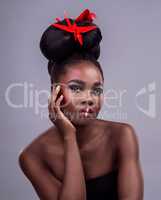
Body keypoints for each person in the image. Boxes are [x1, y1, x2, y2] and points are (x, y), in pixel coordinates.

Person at [18, 9, 144, 200]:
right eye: (76, 88)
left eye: (97, 90)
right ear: (55, 92)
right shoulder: (33, 156)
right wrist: (69, 137)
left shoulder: (121, 136)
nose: (89, 98)